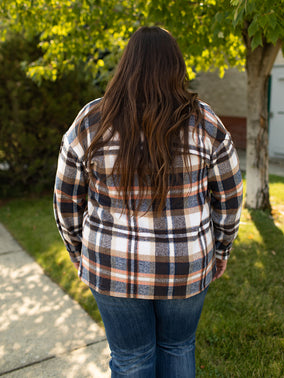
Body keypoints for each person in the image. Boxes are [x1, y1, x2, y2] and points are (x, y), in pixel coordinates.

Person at [53, 26, 243, 378]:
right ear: (177, 68)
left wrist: (78, 252)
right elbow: (230, 199)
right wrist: (221, 250)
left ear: (127, 65)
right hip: (187, 262)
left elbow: (66, 201)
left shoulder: (91, 121)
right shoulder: (205, 122)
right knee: (178, 347)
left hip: (112, 264)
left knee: (131, 359)